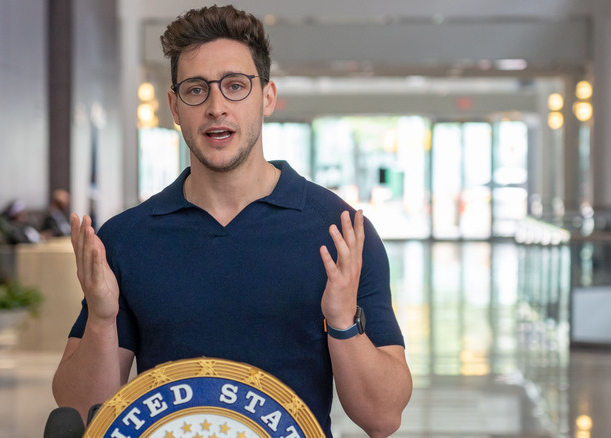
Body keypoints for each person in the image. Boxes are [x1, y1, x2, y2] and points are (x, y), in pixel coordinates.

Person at [52, 5, 412, 437]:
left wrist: (342, 323)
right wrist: (102, 319)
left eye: (235, 86)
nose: (216, 106)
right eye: (196, 90)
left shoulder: (339, 233)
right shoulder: (127, 239)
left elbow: (383, 417)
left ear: (267, 98)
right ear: (174, 106)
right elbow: (78, 407)